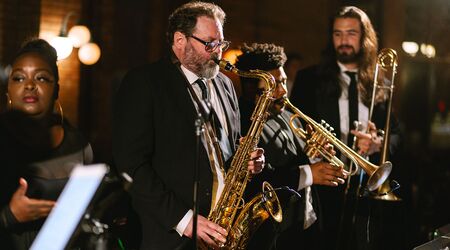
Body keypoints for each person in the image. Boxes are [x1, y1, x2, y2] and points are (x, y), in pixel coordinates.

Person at [112, 2, 265, 249]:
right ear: (180, 40)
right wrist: (185, 220)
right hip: (171, 236)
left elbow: (228, 151)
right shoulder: (145, 83)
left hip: (223, 227)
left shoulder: (226, 84)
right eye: (210, 43)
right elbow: (131, 166)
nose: (219, 53)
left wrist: (248, 161)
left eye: (221, 43)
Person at [290, 6, 403, 250]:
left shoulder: (379, 83)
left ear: (365, 37)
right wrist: (310, 144)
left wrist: (378, 143)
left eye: (351, 33)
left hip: (364, 190)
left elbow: (397, 134)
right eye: (337, 33)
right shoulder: (310, 78)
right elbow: (293, 126)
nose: (343, 41)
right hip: (323, 187)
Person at [236, 43, 348, 250]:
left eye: (284, 81)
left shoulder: (290, 116)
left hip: (304, 225)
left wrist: (317, 155)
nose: (283, 91)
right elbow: (257, 182)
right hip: (271, 236)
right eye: (275, 84)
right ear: (252, 87)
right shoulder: (241, 122)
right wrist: (309, 173)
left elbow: (300, 160)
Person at [0, 38, 94, 250]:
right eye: (19, 78)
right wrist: (9, 216)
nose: (30, 85)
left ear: (57, 90)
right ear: (8, 90)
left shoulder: (78, 146)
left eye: (41, 78)